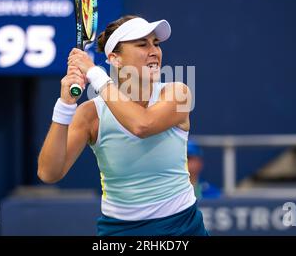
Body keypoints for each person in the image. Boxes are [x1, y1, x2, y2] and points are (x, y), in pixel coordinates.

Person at [37, 15, 208, 236]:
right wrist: (65, 106)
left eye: (156, 43)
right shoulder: (90, 114)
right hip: (119, 231)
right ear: (115, 59)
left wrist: (94, 74)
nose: (154, 51)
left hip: (182, 227)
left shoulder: (177, 93)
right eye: (142, 44)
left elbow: (142, 125)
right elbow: (49, 173)